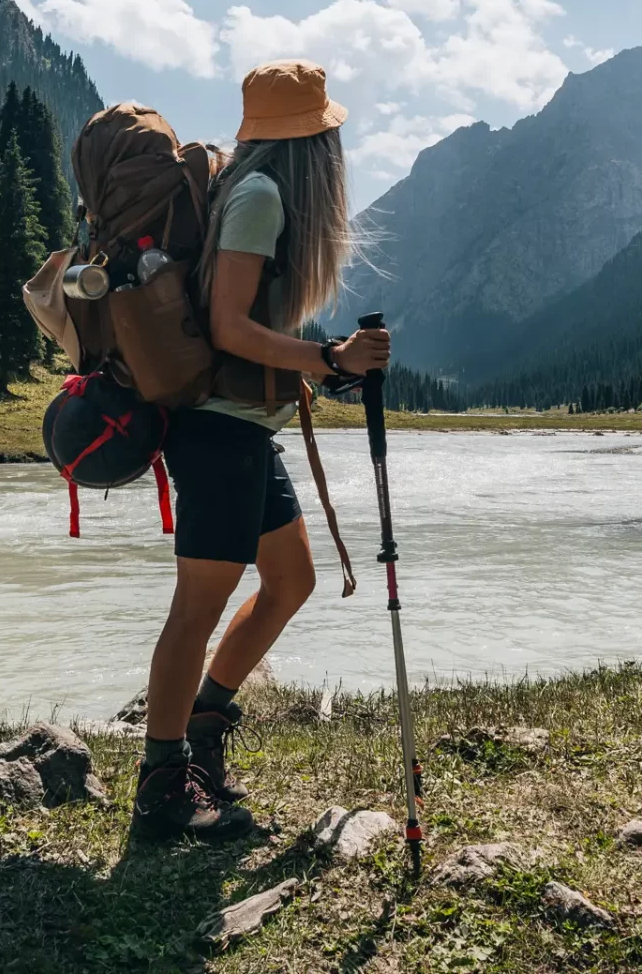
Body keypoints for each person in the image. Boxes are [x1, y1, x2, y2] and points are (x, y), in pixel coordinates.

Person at [129, 60, 391, 842]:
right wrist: (329, 359)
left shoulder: (249, 191)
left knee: (290, 580)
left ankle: (202, 730)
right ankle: (162, 787)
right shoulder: (260, 197)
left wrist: (318, 367)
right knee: (196, 609)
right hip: (218, 430)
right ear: (314, 144)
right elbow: (227, 327)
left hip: (243, 427)